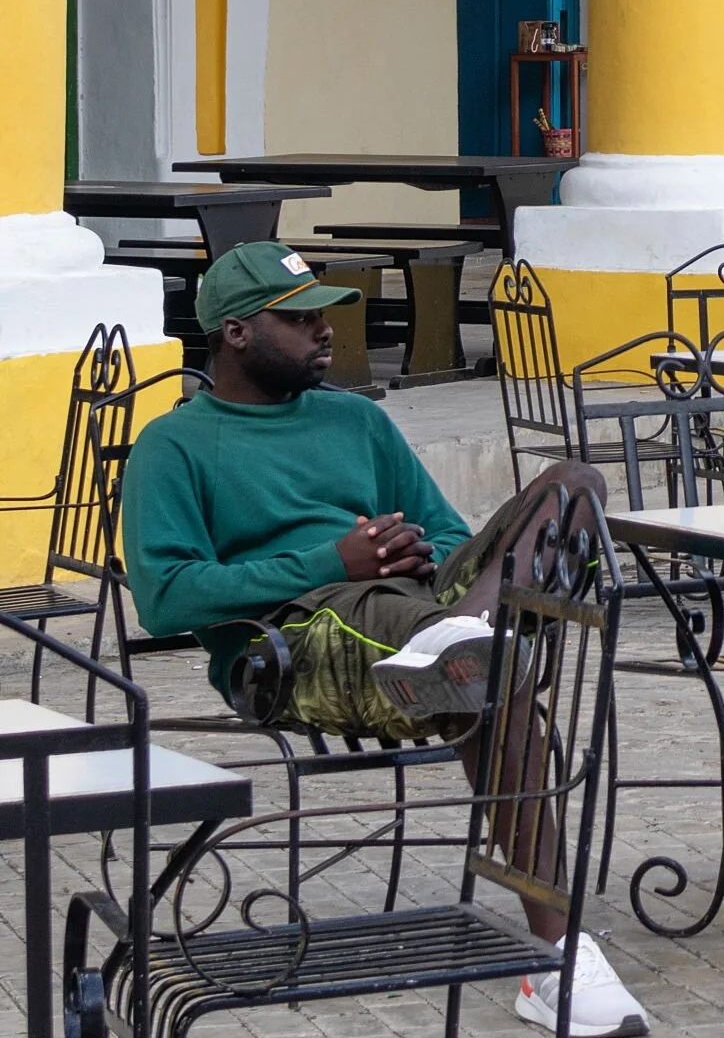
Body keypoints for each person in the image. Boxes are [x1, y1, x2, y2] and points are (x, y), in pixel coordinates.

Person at [122, 241, 649, 1038]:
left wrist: (420, 552)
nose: (325, 330)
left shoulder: (359, 420)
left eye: (325, 314)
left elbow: (446, 528)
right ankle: (558, 956)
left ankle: (472, 634)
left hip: (413, 610)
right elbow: (165, 597)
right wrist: (333, 561)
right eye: (300, 319)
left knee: (573, 484)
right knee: (478, 674)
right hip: (292, 643)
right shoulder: (174, 446)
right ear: (235, 332)